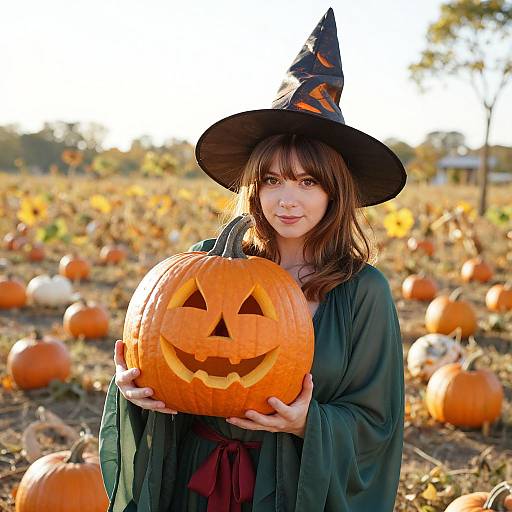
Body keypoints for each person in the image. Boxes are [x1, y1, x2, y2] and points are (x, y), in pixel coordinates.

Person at [99, 8, 407, 512]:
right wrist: (133, 393)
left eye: (309, 182)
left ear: (336, 193)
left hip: (291, 488)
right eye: (273, 180)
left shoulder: (361, 291)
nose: (289, 199)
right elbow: (162, 361)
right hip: (194, 483)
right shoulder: (201, 265)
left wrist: (309, 423)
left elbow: (378, 422)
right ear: (253, 187)